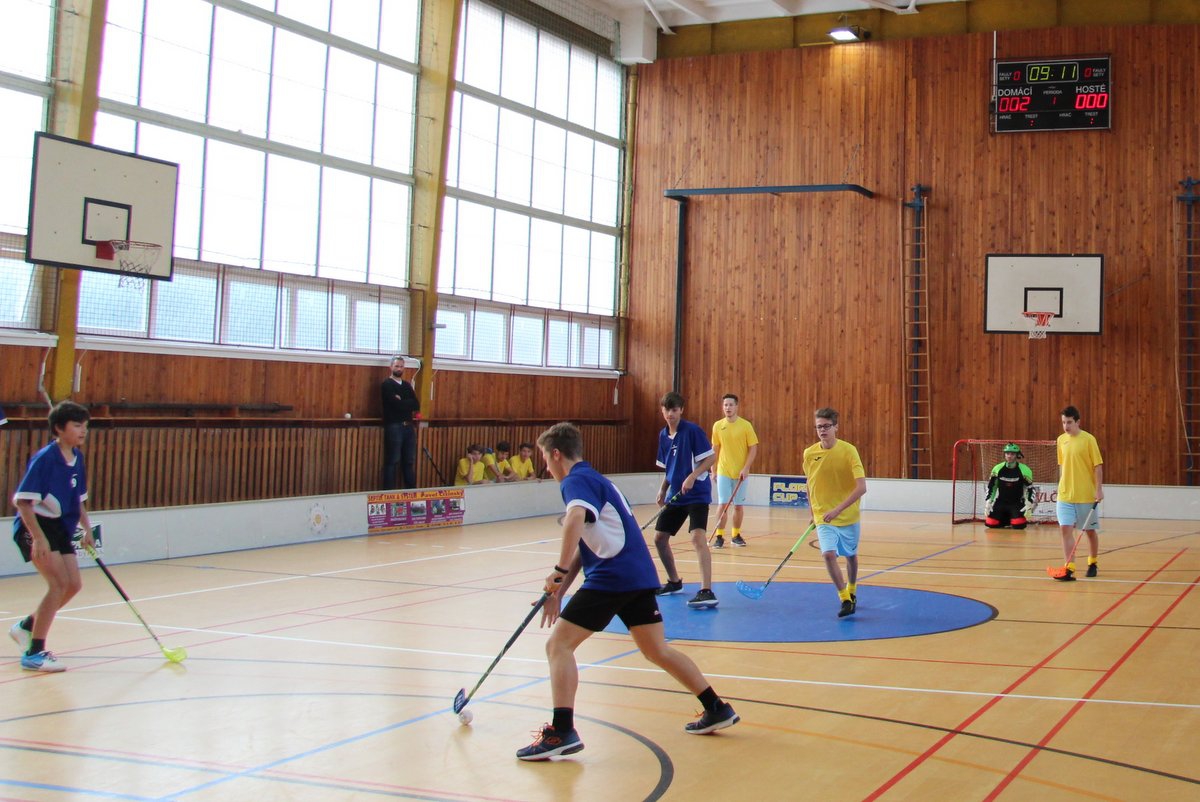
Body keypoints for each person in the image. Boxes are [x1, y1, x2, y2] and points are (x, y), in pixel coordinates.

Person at [516, 422, 739, 760]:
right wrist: (560, 590)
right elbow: (585, 546)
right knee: (656, 650)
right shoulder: (594, 479)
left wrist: (557, 573)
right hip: (637, 575)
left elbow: (574, 520)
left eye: (546, 459)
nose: (546, 467)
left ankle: (562, 732)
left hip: (613, 577)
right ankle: (716, 707)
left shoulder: (575, 481)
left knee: (558, 645)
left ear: (556, 454)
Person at [10, 401, 95, 672]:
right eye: (77, 425)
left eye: (85, 426)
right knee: (58, 584)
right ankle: (34, 653)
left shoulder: (77, 458)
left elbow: (77, 500)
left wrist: (87, 529)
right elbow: (23, 502)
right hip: (35, 525)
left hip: (59, 527)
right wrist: (38, 538)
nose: (83, 431)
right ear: (59, 428)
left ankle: (27, 626)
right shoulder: (45, 458)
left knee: (73, 585)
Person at [654, 392, 718, 609]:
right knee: (659, 538)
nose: (670, 414)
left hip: (697, 493)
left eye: (674, 410)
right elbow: (669, 468)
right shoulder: (663, 436)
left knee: (697, 538)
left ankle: (706, 591)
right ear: (662, 410)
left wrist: (692, 476)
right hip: (676, 495)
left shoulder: (692, 431)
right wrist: (663, 489)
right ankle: (674, 582)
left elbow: (711, 457)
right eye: (667, 410)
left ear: (681, 410)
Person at [802, 408, 868, 618]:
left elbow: (861, 488)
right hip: (824, 516)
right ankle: (845, 599)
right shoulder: (809, 453)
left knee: (851, 556)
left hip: (848, 516)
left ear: (836, 427)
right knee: (828, 554)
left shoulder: (849, 451)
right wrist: (813, 512)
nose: (822, 430)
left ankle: (852, 589)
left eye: (826, 426)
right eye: (819, 427)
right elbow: (809, 483)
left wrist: (838, 509)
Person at [1054, 405, 1104, 581]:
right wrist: (1061, 486)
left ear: (1077, 422)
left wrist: (1098, 489)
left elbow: (1097, 466)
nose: (1066, 426)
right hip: (1065, 495)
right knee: (1065, 529)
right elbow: (1062, 466)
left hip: (1085, 495)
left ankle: (1093, 562)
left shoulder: (1089, 440)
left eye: (1069, 422)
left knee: (1089, 531)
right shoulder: (1061, 440)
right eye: (1063, 422)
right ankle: (1069, 567)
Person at [710, 393, 759, 548]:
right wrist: (713, 469)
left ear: (737, 406)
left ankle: (735, 535)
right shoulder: (718, 426)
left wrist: (746, 468)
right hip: (723, 471)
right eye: (725, 405)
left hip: (741, 473)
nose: (728, 408)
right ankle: (719, 536)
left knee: (738, 506)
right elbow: (715, 448)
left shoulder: (745, 425)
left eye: (731, 405)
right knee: (723, 504)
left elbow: (753, 448)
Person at [381, 356, 420, 490]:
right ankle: (389, 492)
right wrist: (405, 402)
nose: (399, 368)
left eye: (401, 366)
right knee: (393, 460)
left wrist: (401, 401)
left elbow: (416, 404)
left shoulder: (407, 385)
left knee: (409, 460)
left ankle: (411, 491)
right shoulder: (387, 385)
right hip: (394, 426)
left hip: (408, 426)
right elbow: (394, 404)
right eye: (397, 366)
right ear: (391, 367)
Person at [984, 443, 1035, 529]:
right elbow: (992, 486)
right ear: (1004, 454)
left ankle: (1013, 518)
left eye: (1012, 454)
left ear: (1017, 455)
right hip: (1001, 502)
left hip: (1016, 503)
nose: (1009, 456)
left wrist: (1029, 502)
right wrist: (988, 502)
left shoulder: (1025, 470)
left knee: (1018, 525)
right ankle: (1006, 519)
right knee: (991, 523)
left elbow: (1029, 488)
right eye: (1007, 453)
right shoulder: (997, 469)